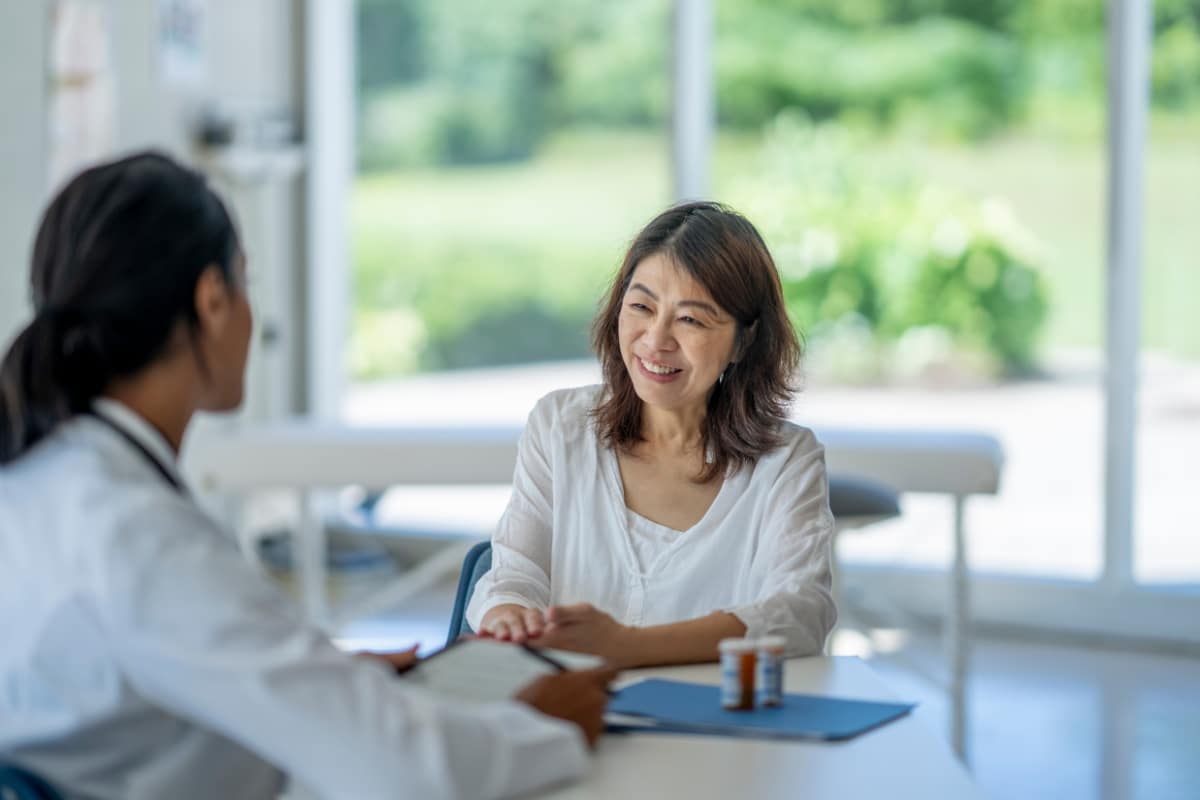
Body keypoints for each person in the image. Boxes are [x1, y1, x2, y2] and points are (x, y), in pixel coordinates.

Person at [0, 152, 613, 800]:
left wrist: (323, 680)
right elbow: (405, 771)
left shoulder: (43, 479)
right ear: (211, 299)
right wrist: (537, 725)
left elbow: (126, 678)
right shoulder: (134, 532)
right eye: (246, 281)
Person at [468, 201, 837, 667]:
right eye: (641, 306)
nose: (655, 340)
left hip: (712, 730)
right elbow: (515, 573)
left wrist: (627, 648)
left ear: (744, 340)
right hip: (572, 724)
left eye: (691, 319)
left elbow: (801, 613)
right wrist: (508, 613)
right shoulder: (560, 426)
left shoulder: (787, 461)